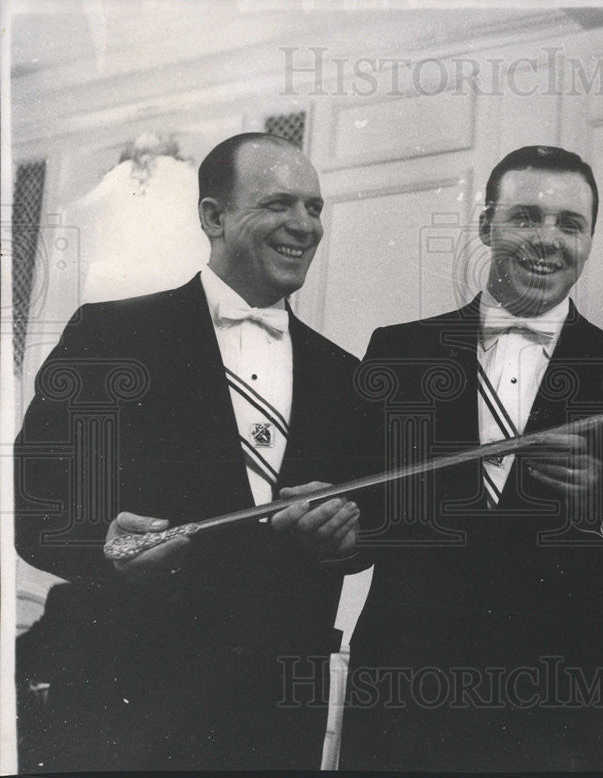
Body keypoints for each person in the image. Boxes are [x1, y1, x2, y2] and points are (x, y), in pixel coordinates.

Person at [15, 133, 366, 771]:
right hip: (124, 699)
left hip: (275, 711)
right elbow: (39, 502)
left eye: (314, 207)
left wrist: (345, 534)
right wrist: (104, 545)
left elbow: (365, 525)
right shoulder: (111, 333)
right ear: (213, 216)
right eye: (280, 203)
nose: (304, 225)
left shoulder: (344, 373)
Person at [332, 145, 603, 771]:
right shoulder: (398, 353)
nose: (547, 240)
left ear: (590, 240)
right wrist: (330, 529)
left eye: (570, 224)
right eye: (526, 218)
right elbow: (362, 532)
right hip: (406, 695)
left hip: (561, 706)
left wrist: (599, 512)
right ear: (487, 226)